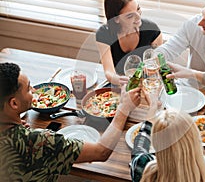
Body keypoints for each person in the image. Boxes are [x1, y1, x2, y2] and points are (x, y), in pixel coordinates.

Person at [0, 62, 142, 181]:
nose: (33, 90)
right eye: (28, 89)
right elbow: (101, 152)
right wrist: (123, 109)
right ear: (14, 104)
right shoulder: (36, 141)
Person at [130, 93, 205, 182]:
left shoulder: (144, 169)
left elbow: (139, 149)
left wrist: (153, 108)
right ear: (196, 141)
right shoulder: (202, 174)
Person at [96, 0, 163, 86]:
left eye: (138, 9)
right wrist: (119, 80)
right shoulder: (104, 34)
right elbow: (109, 72)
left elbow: (157, 65)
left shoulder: (152, 31)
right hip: (120, 82)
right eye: (130, 16)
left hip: (147, 82)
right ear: (116, 19)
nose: (138, 17)